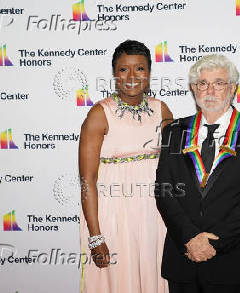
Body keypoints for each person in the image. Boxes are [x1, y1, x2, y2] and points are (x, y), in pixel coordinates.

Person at [155, 54, 240, 293]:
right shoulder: (174, 133)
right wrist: (190, 238)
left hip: (234, 261)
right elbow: (164, 191)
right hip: (183, 259)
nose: (209, 90)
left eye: (218, 83)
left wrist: (213, 241)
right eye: (202, 83)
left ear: (232, 88)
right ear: (193, 88)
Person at [79, 40, 172, 293]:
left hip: (155, 215)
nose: (132, 76)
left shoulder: (161, 110)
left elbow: (174, 170)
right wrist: (96, 236)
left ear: (149, 73)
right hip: (114, 215)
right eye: (123, 70)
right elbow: (87, 180)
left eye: (139, 68)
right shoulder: (100, 114)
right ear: (114, 74)